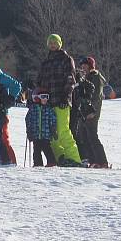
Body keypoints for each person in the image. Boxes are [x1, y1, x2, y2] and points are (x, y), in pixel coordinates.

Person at [36, 34, 81, 166]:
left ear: (60, 44)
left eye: (55, 43)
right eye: (50, 43)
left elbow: (70, 79)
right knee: (51, 133)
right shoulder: (46, 62)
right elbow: (40, 81)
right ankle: (60, 157)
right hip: (48, 102)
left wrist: (66, 96)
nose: (53, 45)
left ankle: (74, 158)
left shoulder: (66, 59)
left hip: (61, 100)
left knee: (62, 131)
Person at [77, 57, 109, 168]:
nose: (83, 68)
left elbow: (96, 96)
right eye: (81, 66)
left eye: (84, 66)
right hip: (84, 112)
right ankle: (93, 160)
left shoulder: (95, 77)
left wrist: (92, 111)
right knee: (84, 136)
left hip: (92, 111)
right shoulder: (86, 78)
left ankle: (102, 161)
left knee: (92, 135)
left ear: (90, 65)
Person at [25, 87, 57, 167]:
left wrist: (53, 129)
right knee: (36, 150)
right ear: (37, 98)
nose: (45, 99)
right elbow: (28, 119)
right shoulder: (32, 109)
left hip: (45, 134)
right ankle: (38, 164)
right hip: (36, 134)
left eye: (47, 97)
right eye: (43, 97)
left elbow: (53, 118)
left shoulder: (49, 109)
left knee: (47, 148)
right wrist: (29, 130)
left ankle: (51, 162)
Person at [70, 69, 96, 162]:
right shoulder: (73, 79)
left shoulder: (79, 79)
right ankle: (81, 156)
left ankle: (83, 157)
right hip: (72, 108)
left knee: (75, 133)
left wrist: (85, 99)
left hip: (77, 109)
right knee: (74, 133)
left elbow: (91, 87)